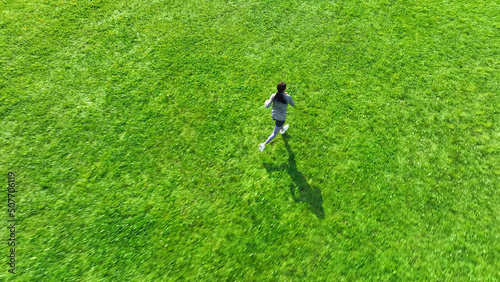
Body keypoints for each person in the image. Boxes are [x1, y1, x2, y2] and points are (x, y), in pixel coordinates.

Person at [259, 82, 295, 152]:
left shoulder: (273, 95)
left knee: (279, 125)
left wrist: (266, 101)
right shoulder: (287, 97)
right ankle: (264, 144)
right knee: (274, 133)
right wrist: (286, 96)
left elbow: (267, 106)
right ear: (284, 89)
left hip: (274, 115)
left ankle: (282, 130)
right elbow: (292, 104)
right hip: (281, 118)